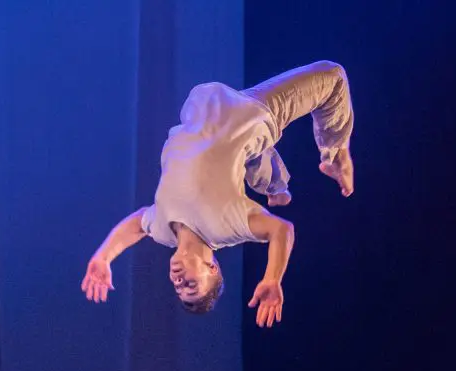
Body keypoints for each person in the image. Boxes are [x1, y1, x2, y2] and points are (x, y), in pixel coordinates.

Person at [80, 60, 355, 328]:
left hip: (208, 109)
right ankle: (336, 157)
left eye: (178, 287)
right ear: (211, 267)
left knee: (244, 158)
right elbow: (281, 230)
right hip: (253, 112)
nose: (178, 281)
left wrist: (103, 257)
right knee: (332, 76)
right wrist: (272, 278)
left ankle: (276, 187)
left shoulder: (163, 231)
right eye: (191, 284)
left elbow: (137, 223)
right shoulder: (224, 229)